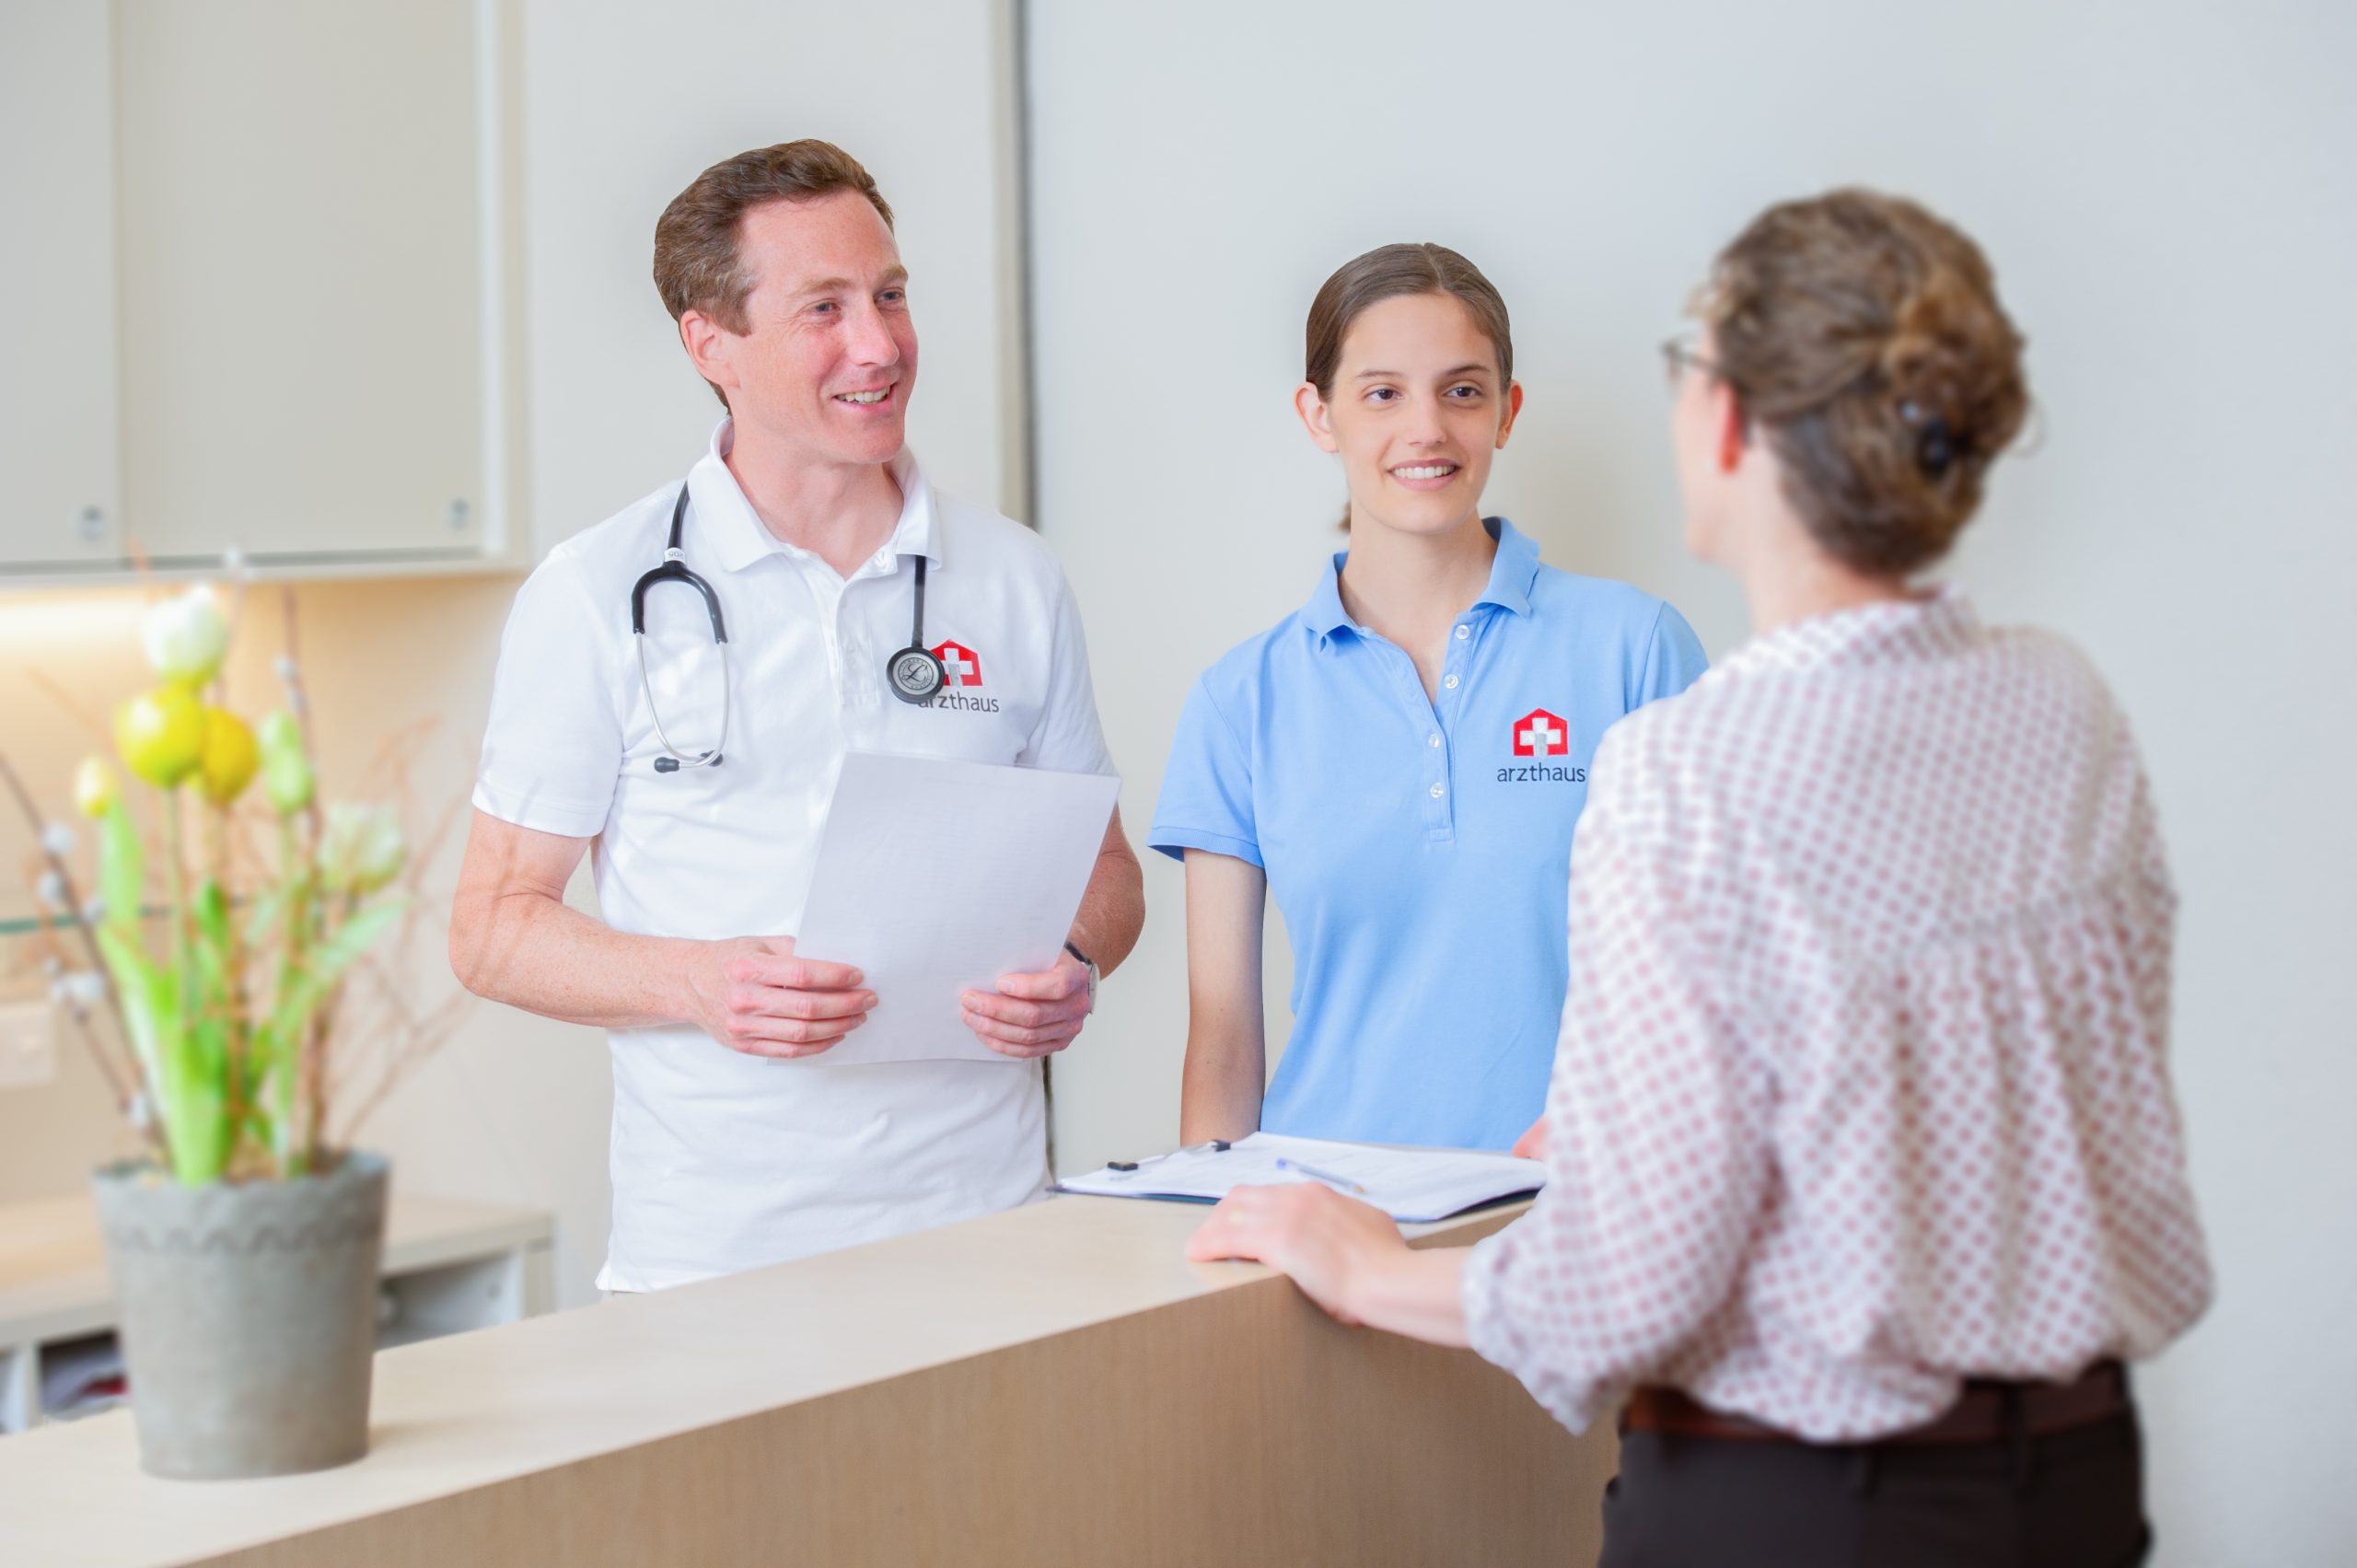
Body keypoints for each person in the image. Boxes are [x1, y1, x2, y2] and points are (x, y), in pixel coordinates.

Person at [1186, 191, 2212, 1565]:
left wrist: (1372, 1263)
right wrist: (1632, 1115)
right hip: (2073, 1474)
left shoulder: (1685, 757)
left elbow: (1634, 1282)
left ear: (1726, 423)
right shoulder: (2064, 704)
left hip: (1799, 1502)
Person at [448, 141, 1144, 1293]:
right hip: (721, 1262)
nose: (878, 344)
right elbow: (490, 926)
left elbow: (1105, 869)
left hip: (994, 1237)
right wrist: (692, 981)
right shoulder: (598, 592)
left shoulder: (1012, 578)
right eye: (823, 307)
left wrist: (1074, 956)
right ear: (708, 341)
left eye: (890, 295)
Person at [1150, 243, 1707, 1153]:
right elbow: (1221, 1041)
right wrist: (1210, 1254)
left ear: (1505, 410)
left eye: (1461, 390)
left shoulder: (1635, 650)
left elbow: (1716, 973)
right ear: (1316, 412)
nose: (1427, 429)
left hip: (1586, 1226)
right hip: (1322, 1231)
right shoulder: (1240, 700)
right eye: (1381, 392)